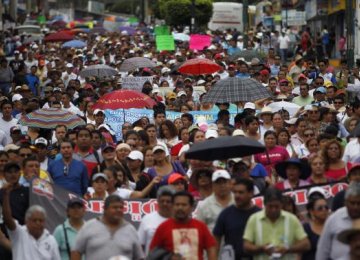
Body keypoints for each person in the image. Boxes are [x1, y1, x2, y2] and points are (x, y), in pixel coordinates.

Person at [243, 188, 310, 260]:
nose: (273, 210)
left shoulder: (292, 219)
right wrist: (261, 248)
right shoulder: (254, 220)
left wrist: (288, 249)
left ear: (281, 204)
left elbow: (306, 244)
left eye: (276, 206)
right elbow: (246, 246)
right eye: (270, 206)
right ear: (264, 204)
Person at [72, 194, 144, 260]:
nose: (118, 210)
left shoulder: (130, 229)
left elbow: (139, 257)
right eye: (114, 207)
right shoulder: (89, 226)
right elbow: (76, 252)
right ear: (105, 209)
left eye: (121, 207)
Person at [149, 191, 217, 260]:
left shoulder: (201, 226)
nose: (180, 208)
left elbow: (211, 248)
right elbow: (152, 253)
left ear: (191, 207)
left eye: (184, 205)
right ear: (172, 206)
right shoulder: (163, 228)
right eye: (177, 205)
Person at [2, 180, 60, 260]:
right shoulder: (19, 234)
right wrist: (6, 195)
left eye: (40, 220)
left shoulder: (51, 240)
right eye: (34, 220)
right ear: (27, 221)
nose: (38, 223)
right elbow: (8, 219)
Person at [213, 178, 260, 259]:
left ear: (251, 193)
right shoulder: (226, 214)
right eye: (235, 192)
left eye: (241, 192)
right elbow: (216, 240)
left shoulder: (260, 215)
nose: (237, 195)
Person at [316, 182, 360, 260]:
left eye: (359, 203)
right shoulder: (334, 219)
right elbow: (322, 251)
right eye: (352, 203)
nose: (355, 207)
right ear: (345, 202)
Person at [138, 186, 174, 254]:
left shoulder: (179, 220)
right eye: (162, 201)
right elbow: (140, 245)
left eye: (168, 201)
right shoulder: (147, 219)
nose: (165, 204)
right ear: (157, 201)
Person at [302, 194, 329, 260]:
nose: (324, 210)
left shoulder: (332, 226)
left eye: (326, 207)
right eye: (320, 208)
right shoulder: (305, 229)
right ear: (311, 211)